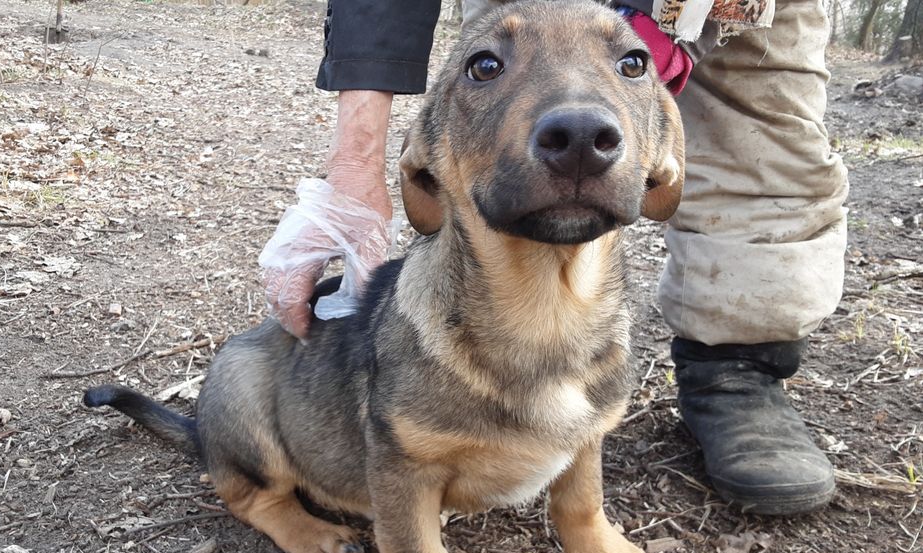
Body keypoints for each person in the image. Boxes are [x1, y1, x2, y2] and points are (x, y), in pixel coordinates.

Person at [261, 0, 849, 516]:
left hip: (734, 10)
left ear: (663, 161)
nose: (577, 127)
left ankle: (738, 366)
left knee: (765, 147)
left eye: (631, 66)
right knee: (524, 41)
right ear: (426, 167)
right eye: (486, 70)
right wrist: (352, 169)